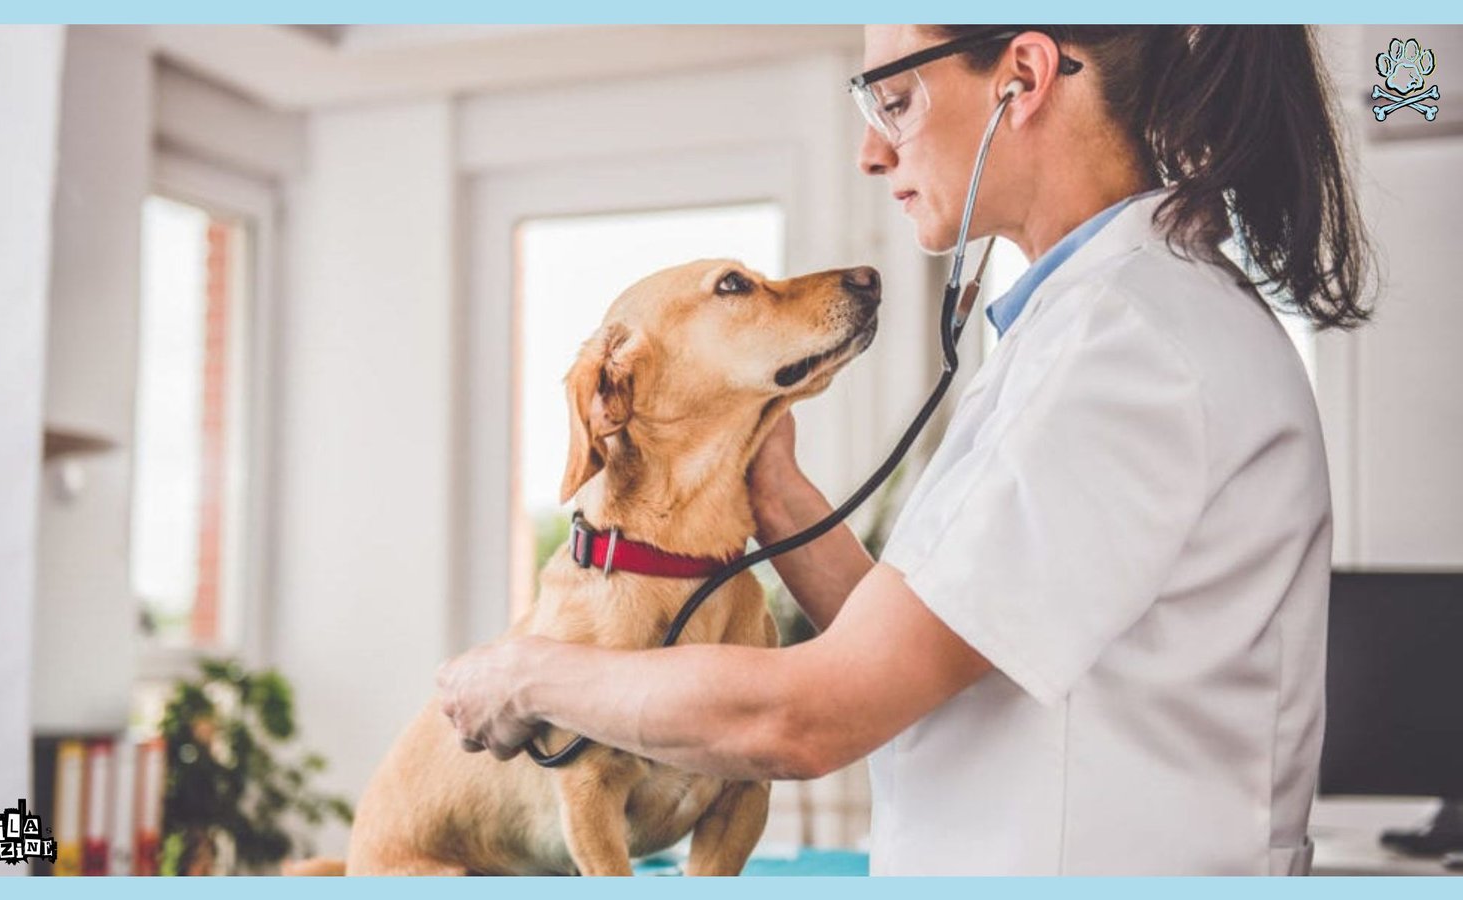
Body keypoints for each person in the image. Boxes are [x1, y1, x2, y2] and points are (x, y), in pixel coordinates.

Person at [437, 24, 1372, 875]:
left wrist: (525, 672)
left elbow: (810, 716)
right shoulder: (1089, 333)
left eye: (894, 101)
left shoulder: (1128, 352)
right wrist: (776, 492)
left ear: (1023, 76)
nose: (871, 151)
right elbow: (923, 648)